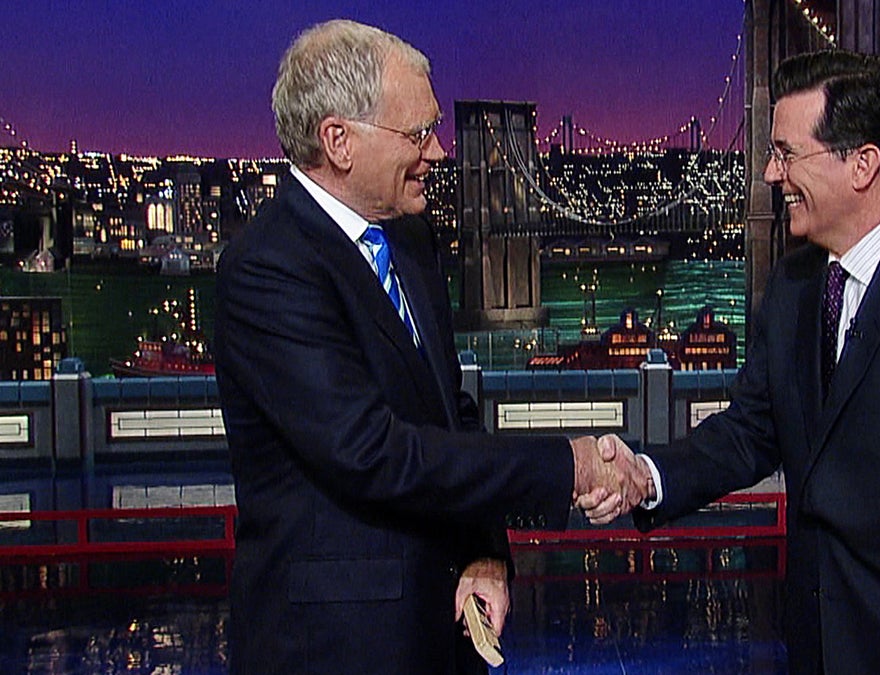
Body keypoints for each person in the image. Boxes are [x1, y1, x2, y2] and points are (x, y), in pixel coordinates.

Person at [581, 50, 880, 673]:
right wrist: (645, 475)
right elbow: (749, 432)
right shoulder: (794, 289)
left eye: (787, 153)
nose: (771, 172)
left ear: (862, 164)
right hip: (813, 646)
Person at [213, 20, 646, 675]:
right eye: (417, 133)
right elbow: (371, 453)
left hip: (447, 635)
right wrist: (570, 466)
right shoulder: (266, 267)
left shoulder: (411, 240)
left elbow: (449, 418)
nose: (439, 151)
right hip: (334, 647)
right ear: (338, 140)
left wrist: (486, 550)